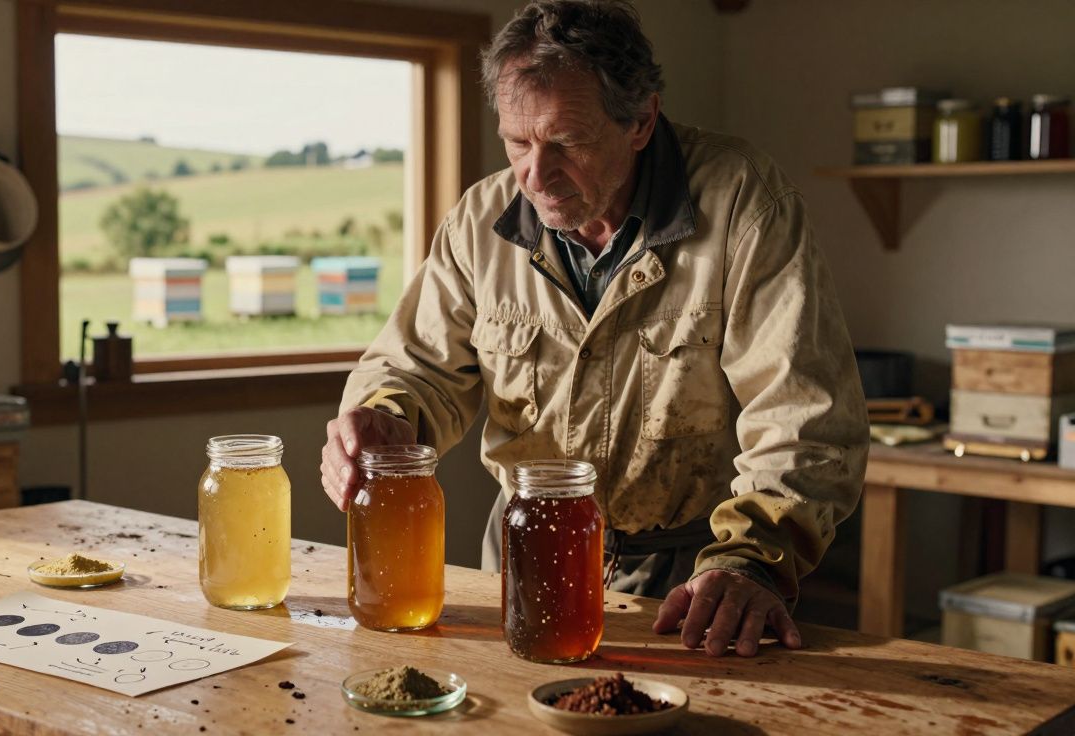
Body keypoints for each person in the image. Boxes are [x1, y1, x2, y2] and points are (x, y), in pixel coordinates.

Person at [319, 0, 868, 658]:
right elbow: (415, 368)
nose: (535, 174)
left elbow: (802, 414)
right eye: (517, 142)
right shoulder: (479, 221)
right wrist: (384, 416)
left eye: (567, 142)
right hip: (524, 552)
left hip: (696, 580)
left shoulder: (742, 202)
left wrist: (752, 561)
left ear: (641, 121)